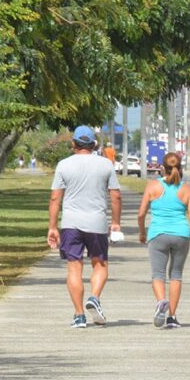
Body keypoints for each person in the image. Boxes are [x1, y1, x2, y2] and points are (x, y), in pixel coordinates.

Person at [47, 126, 122, 328]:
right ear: (94, 145)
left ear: (73, 144)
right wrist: (115, 222)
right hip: (96, 223)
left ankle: (79, 315)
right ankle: (94, 298)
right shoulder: (105, 164)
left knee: (74, 267)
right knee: (100, 264)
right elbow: (115, 195)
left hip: (70, 223)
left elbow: (55, 197)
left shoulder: (63, 165)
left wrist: (53, 226)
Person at [137, 151, 190, 329]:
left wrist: (142, 233)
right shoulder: (187, 189)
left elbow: (141, 213)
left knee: (158, 274)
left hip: (158, 234)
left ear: (161, 168)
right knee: (176, 275)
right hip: (181, 235)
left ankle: (161, 302)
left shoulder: (153, 186)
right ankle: (172, 317)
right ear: (180, 168)